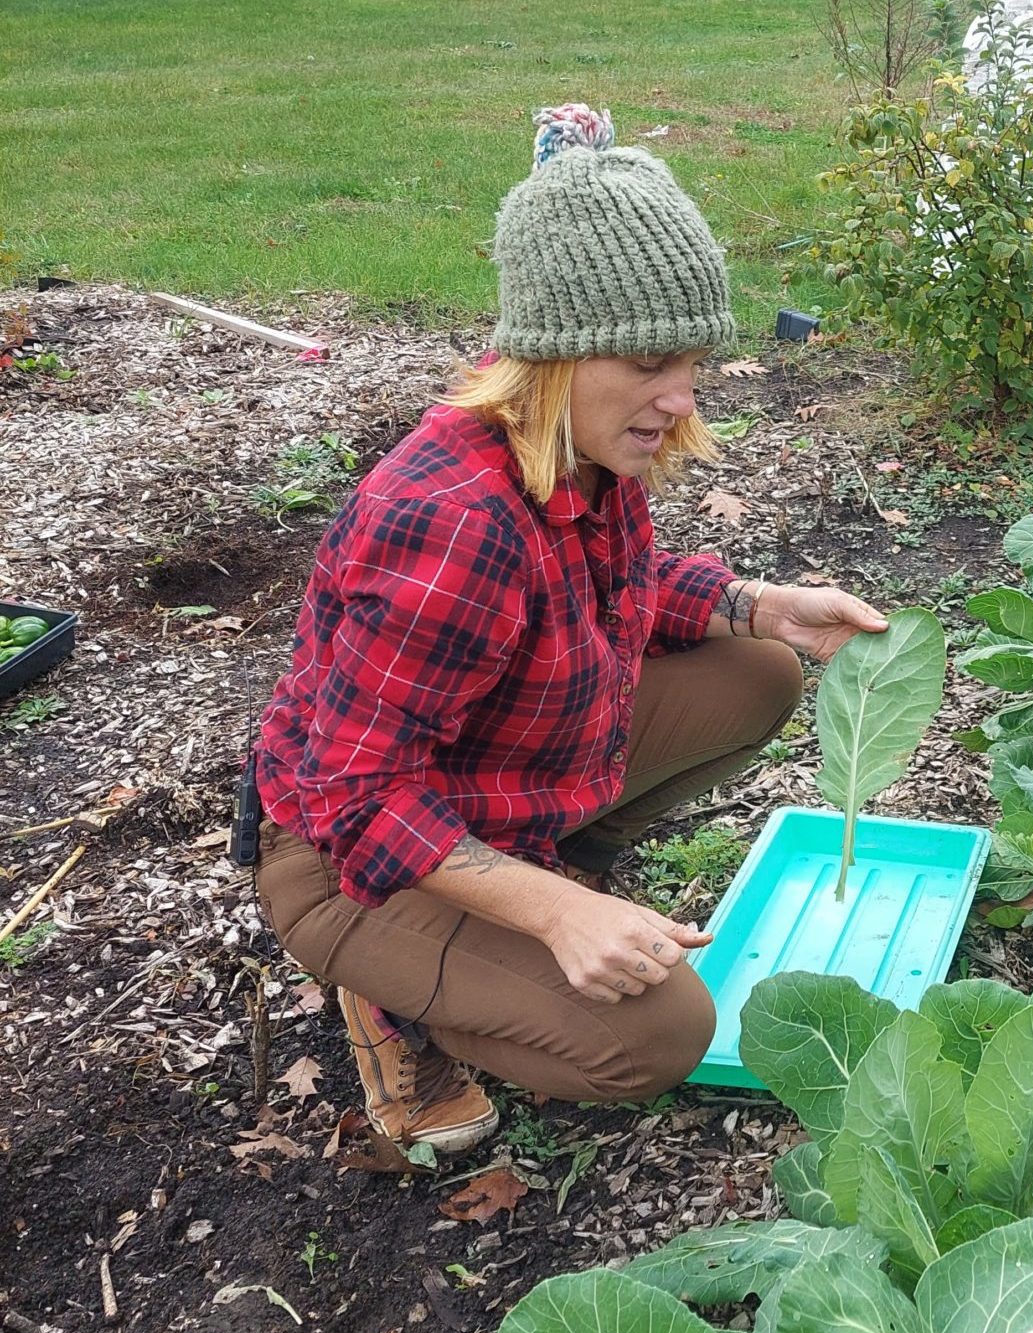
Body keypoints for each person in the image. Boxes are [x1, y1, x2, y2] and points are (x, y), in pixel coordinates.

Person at [252, 105, 888, 1151]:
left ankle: (529, 886)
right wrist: (554, 916)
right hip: (345, 858)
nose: (679, 399)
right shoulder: (448, 520)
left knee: (759, 671)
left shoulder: (579, 449)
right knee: (660, 1033)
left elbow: (624, 587)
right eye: (647, 364)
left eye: (688, 361)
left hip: (478, 786)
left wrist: (762, 606)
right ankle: (393, 996)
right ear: (554, 355)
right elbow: (356, 799)